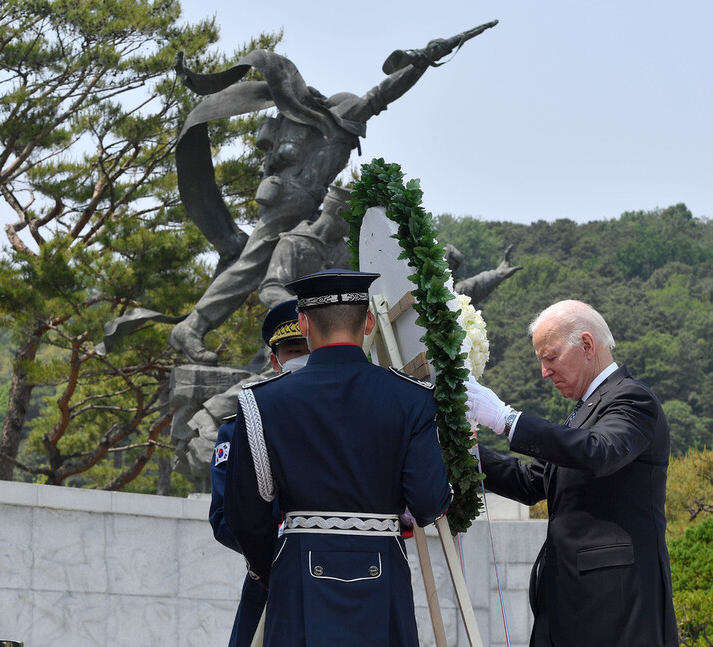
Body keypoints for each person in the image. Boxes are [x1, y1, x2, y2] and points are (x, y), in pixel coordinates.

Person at [169, 21, 497, 364]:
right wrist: (424, 61)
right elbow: (382, 94)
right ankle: (193, 326)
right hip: (291, 202)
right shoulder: (336, 124)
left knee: (294, 272)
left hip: (301, 206)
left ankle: (279, 351)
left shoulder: (316, 128)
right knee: (251, 266)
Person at [223, 269, 453, 646]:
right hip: (383, 579)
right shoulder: (413, 398)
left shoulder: (261, 401)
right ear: (367, 323)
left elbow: (245, 514)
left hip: (297, 575)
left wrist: (273, 568)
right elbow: (427, 503)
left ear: (303, 322)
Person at [464, 299, 678, 647]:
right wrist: (465, 453)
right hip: (570, 601)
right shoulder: (583, 412)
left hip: (615, 605)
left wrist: (506, 420)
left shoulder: (633, 400)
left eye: (550, 358)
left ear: (587, 345)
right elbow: (532, 482)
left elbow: (599, 452)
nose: (544, 372)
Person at [209, 299, 310, 647]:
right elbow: (224, 520)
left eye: (312, 350)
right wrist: (278, 559)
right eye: (295, 350)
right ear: (275, 360)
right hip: (269, 585)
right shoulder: (239, 429)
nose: (303, 359)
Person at [257, 185, 352, 310]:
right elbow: (271, 288)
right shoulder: (292, 243)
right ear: (340, 212)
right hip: (293, 325)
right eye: (354, 217)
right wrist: (300, 305)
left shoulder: (346, 253)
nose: (357, 224)